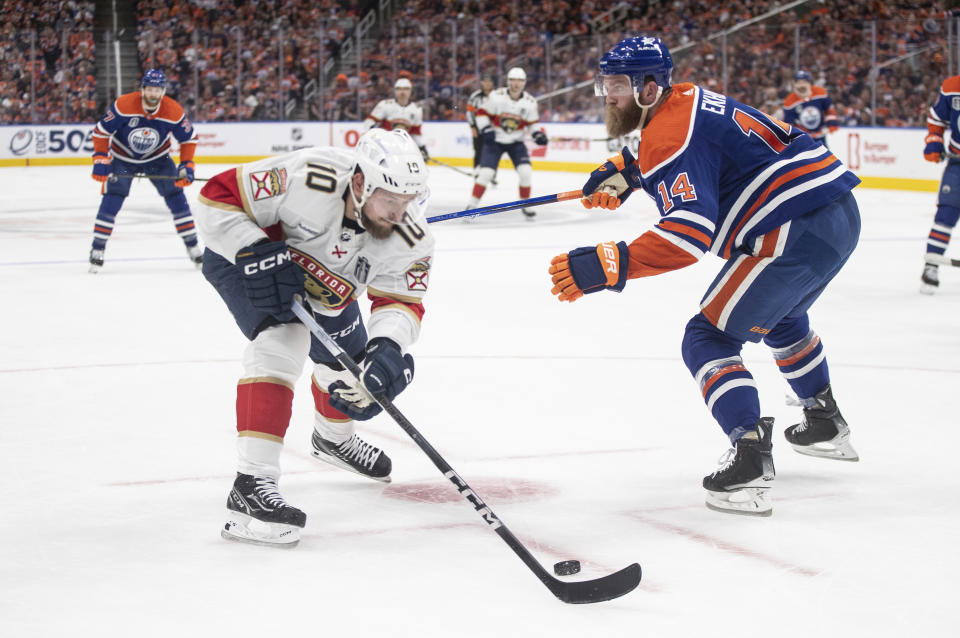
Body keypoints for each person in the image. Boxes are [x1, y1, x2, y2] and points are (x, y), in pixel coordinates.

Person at [548, 36, 861, 517]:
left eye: (616, 85)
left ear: (649, 88)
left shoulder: (667, 134)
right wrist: (631, 171)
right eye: (604, 83)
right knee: (781, 318)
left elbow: (688, 234)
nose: (606, 95)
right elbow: (708, 149)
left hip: (792, 229)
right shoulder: (688, 98)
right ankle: (823, 420)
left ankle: (750, 458)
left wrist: (609, 264)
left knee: (707, 338)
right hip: (835, 214)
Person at [194, 128, 434, 547]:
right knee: (283, 338)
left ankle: (333, 441)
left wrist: (387, 346)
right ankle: (251, 485)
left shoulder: (411, 236)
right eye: (390, 201)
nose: (400, 214)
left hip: (325, 284)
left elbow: (401, 301)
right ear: (360, 183)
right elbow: (218, 196)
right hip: (246, 261)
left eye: (408, 202)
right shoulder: (308, 174)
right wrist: (251, 247)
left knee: (353, 368)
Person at [88, 68, 200, 272]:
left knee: (176, 197)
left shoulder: (173, 110)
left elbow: (189, 138)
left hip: (158, 160)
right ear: (142, 90)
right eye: (149, 89)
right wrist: (100, 159)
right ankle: (97, 248)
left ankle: (193, 247)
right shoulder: (124, 105)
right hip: (123, 160)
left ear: (163, 91)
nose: (153, 94)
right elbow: (101, 132)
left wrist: (187, 165)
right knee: (112, 198)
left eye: (157, 90)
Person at [467, 67, 548, 220]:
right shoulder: (496, 96)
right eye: (513, 80)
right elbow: (481, 114)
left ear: (524, 83)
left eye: (520, 81)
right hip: (494, 142)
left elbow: (533, 124)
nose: (516, 84)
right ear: (508, 81)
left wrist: (537, 134)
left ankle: (525, 205)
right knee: (486, 174)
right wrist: (486, 129)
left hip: (516, 143)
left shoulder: (530, 102)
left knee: (526, 172)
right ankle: (471, 206)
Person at [920, 75, 960, 293]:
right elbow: (937, 119)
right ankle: (931, 265)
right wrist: (934, 141)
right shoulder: (953, 87)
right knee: (945, 215)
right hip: (958, 165)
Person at [362, 77, 429, 160]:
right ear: (395, 91)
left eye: (405, 89)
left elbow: (415, 133)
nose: (402, 92)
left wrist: (421, 147)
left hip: (403, 149)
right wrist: (372, 133)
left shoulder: (417, 110)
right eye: (399, 89)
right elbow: (369, 121)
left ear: (410, 91)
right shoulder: (385, 105)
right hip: (384, 147)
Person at [781, 70, 839, 147]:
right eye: (798, 82)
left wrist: (832, 125)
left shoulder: (820, 92)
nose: (801, 85)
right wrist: (794, 136)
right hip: (802, 138)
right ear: (794, 84)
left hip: (820, 135)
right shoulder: (789, 101)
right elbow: (788, 124)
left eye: (804, 82)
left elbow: (829, 110)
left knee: (825, 157)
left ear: (809, 83)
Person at [466, 74, 495, 171]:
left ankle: (492, 173)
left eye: (489, 81)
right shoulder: (475, 96)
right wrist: (472, 126)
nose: (487, 84)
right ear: (481, 83)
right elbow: (469, 112)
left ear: (492, 83)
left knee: (493, 152)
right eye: (485, 81)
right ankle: (476, 170)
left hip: (493, 129)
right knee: (478, 150)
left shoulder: (497, 96)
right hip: (478, 129)